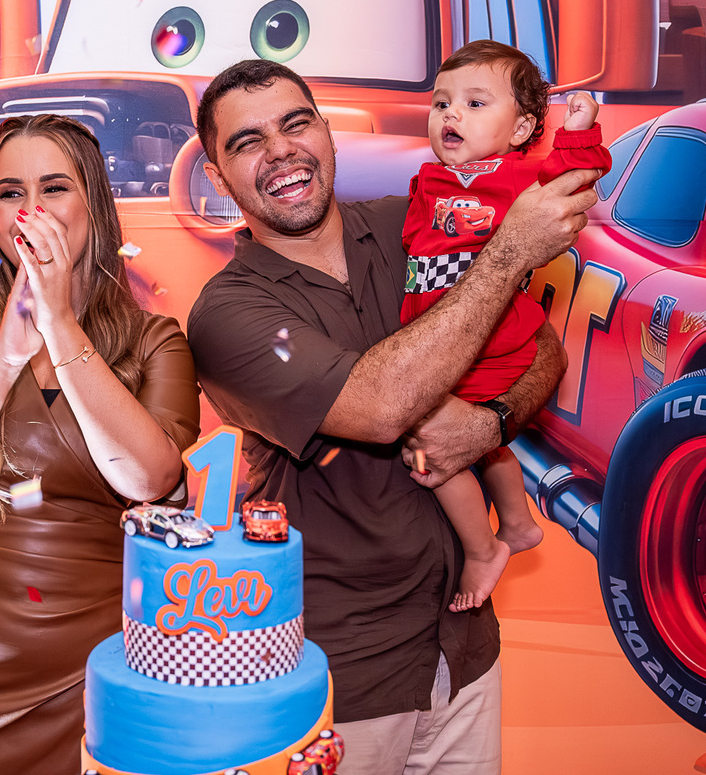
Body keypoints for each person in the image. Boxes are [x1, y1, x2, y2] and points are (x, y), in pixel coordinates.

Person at [186, 59, 598, 774]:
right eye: (247, 142)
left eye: (296, 123)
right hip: (340, 681)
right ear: (218, 178)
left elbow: (543, 355)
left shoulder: (415, 225)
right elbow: (381, 410)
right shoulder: (227, 315)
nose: (281, 149)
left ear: (327, 134)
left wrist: (491, 424)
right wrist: (505, 256)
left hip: (465, 651)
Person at [0, 113, 200, 775]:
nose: (30, 210)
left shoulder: (152, 342)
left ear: (93, 208)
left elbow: (150, 480)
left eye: (54, 188)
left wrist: (59, 325)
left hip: (100, 684)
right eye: (9, 191)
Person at [402, 40, 611, 612]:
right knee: (480, 438)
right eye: (441, 103)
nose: (451, 115)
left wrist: (579, 126)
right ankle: (517, 523)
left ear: (520, 129)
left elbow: (578, 173)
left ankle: (481, 547)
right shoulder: (429, 179)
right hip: (439, 332)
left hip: (492, 337)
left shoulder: (517, 175)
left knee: (430, 447)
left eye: (474, 104)